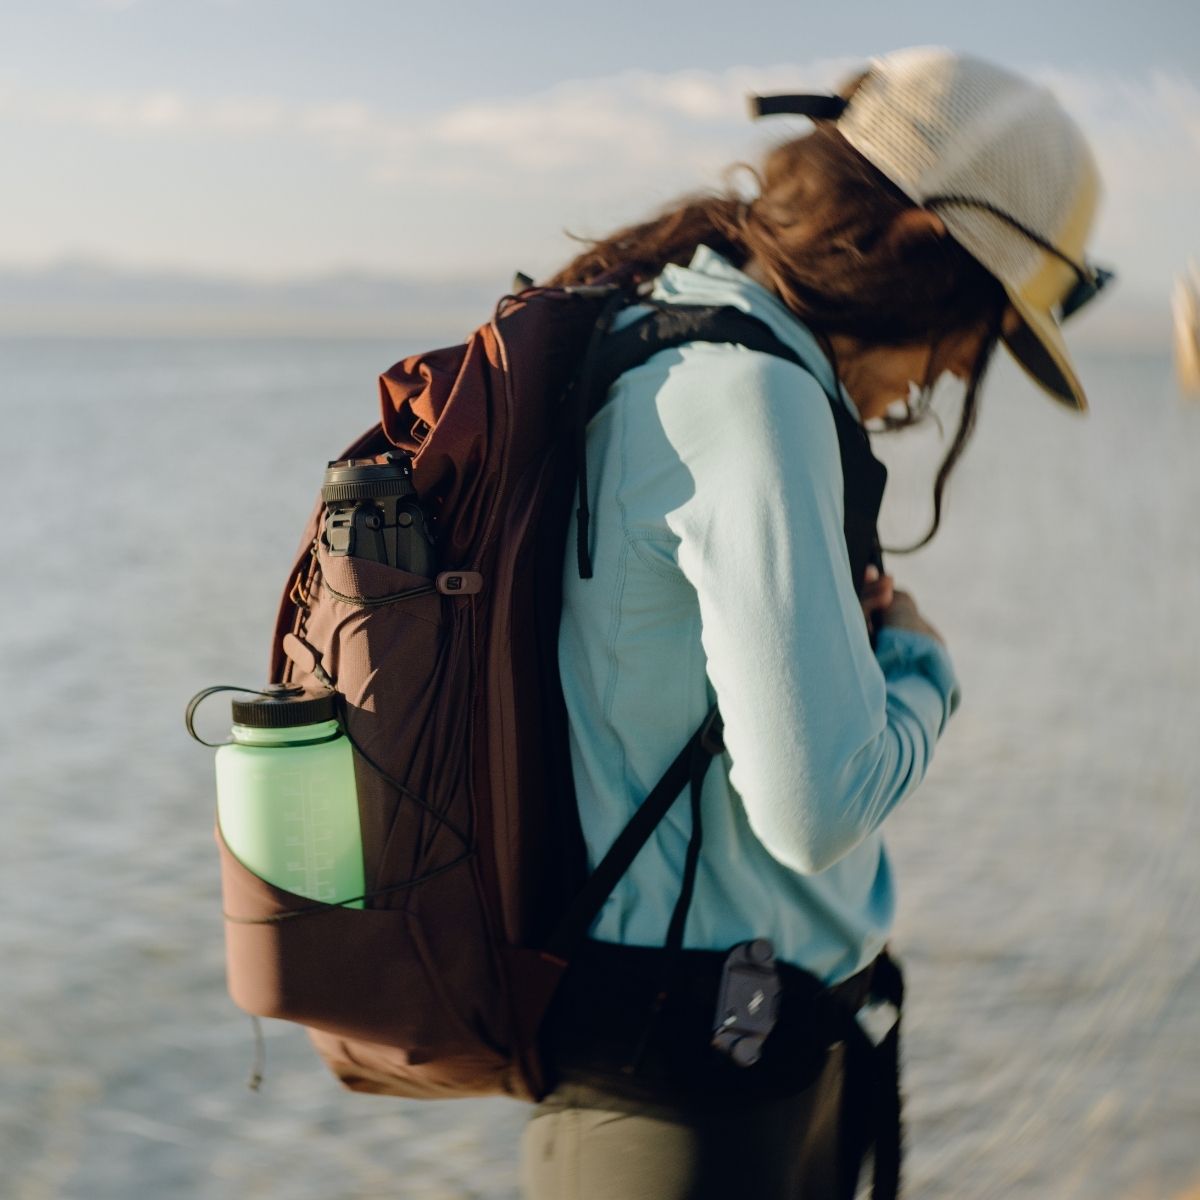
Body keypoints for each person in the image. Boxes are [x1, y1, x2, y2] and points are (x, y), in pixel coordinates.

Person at [521, 47, 1109, 1200]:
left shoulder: (684, 330)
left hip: (723, 1051)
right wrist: (922, 664)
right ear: (925, 262)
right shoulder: (756, 394)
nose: (938, 380)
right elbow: (820, 805)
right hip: (692, 1098)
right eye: (971, 343)